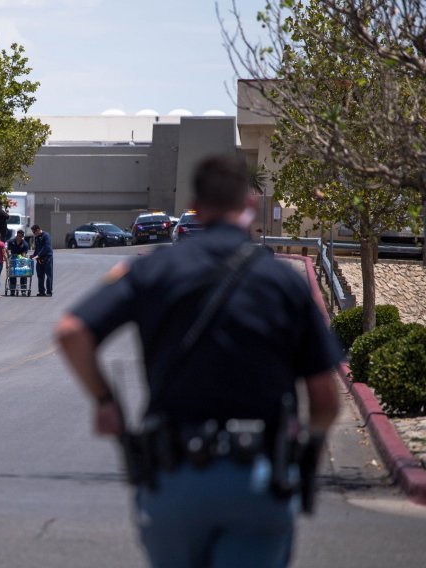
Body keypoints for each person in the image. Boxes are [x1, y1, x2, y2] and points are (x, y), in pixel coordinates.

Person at [55, 155, 342, 568]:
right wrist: (308, 451)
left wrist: (105, 401)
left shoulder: (155, 269)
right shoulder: (284, 283)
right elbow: (325, 398)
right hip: (257, 480)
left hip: (174, 477)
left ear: (195, 205)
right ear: (250, 201)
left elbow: (72, 331)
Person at [30, 224, 53, 296]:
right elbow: (37, 248)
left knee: (49, 275)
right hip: (39, 259)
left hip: (47, 258)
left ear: (38, 230)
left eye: (34, 232)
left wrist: (38, 255)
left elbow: (46, 247)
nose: (34, 234)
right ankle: (41, 291)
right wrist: (34, 255)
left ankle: (49, 291)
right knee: (40, 276)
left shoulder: (46, 235)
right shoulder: (37, 238)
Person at [7, 229, 30, 295]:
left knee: (23, 275)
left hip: (21, 260)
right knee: (12, 275)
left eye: (20, 236)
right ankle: (12, 290)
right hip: (13, 259)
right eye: (18, 235)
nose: (18, 237)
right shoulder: (11, 242)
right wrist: (8, 257)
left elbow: (24, 255)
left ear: (22, 237)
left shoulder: (25, 244)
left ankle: (23, 291)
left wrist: (20, 259)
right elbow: (8, 250)